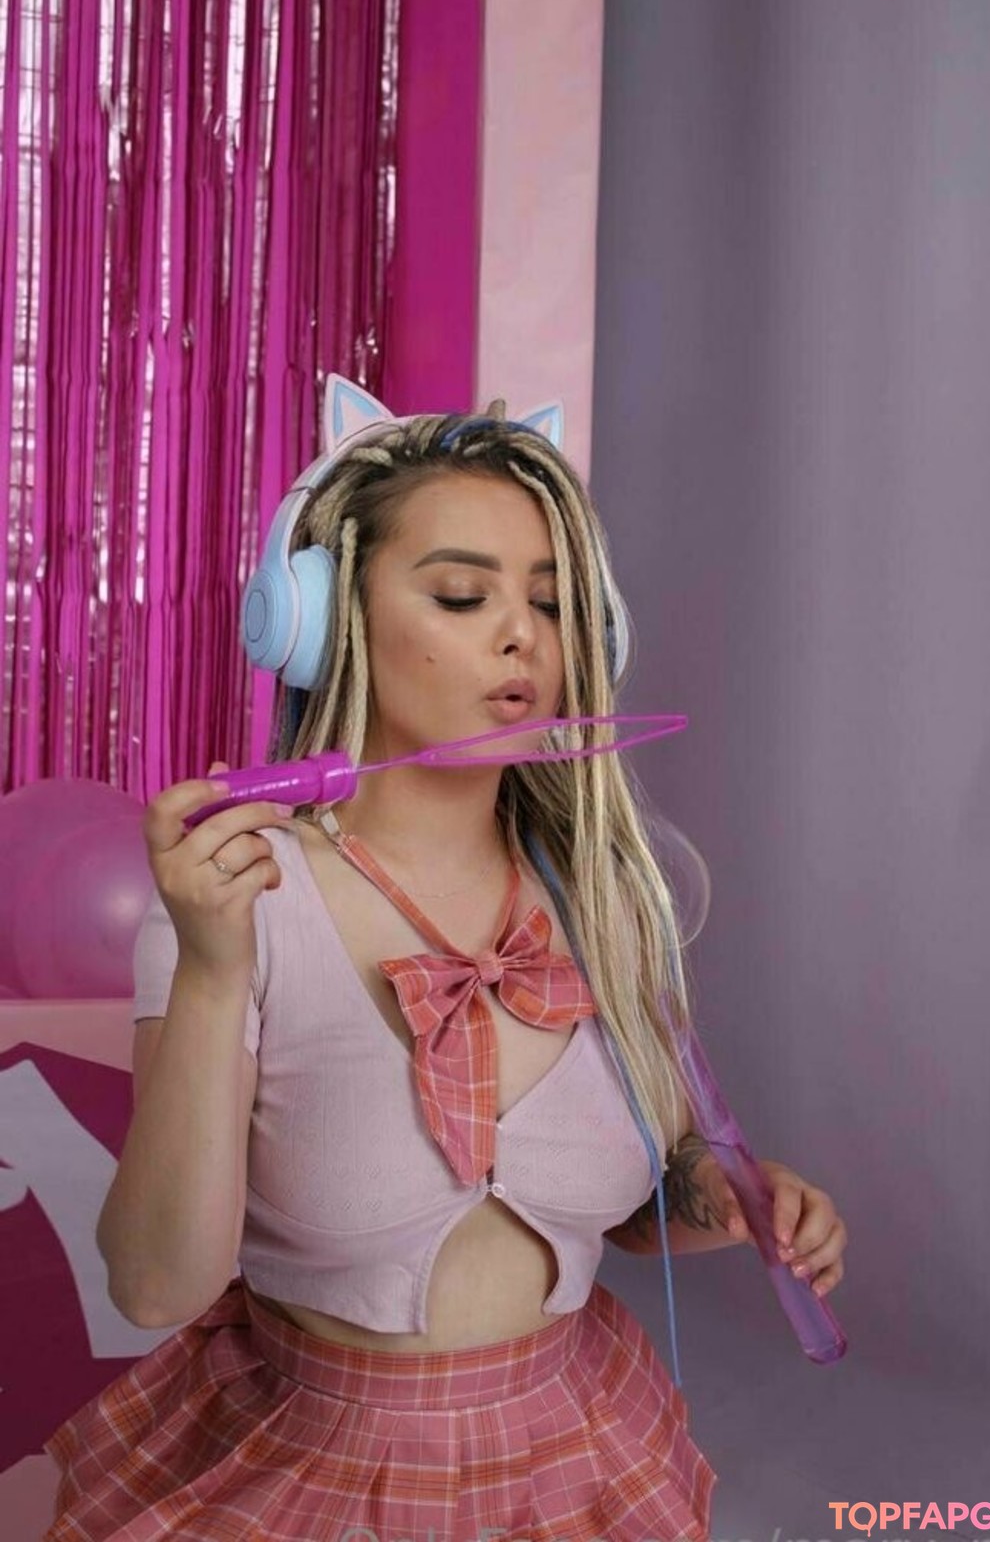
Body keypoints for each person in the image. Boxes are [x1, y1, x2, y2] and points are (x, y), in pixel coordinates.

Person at [44, 389, 847, 1541]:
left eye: (553, 603)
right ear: (326, 625)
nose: (524, 636)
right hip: (315, 1473)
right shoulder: (241, 905)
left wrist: (729, 1198)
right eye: (464, 596)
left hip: (578, 1453)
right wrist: (213, 975)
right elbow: (154, 1286)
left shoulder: (608, 902)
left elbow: (633, 1203)